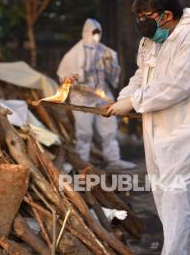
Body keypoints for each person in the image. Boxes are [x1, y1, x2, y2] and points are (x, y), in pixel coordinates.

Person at [105, 0, 190, 254]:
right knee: (163, 196)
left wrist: (133, 102)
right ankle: (188, 247)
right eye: (138, 16)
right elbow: (141, 77)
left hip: (185, 132)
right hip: (155, 129)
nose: (140, 22)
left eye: (144, 16)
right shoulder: (150, 41)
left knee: (176, 199)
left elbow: (177, 85)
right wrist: (122, 99)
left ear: (166, 15)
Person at [57, 18, 136, 170]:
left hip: (102, 94)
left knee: (109, 128)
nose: (96, 35)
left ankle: (114, 160)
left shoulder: (105, 51)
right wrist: (70, 80)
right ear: (86, 32)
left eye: (98, 32)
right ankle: (82, 163)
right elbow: (63, 76)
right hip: (82, 97)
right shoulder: (73, 54)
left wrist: (110, 64)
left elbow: (114, 74)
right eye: (93, 32)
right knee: (84, 132)